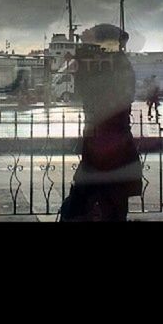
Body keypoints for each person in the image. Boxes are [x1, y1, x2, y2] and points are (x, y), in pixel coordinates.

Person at [59, 42, 142, 222]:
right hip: (115, 158)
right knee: (114, 206)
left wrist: (81, 63)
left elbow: (83, 88)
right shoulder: (119, 95)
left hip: (100, 157)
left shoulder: (96, 95)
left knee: (84, 206)